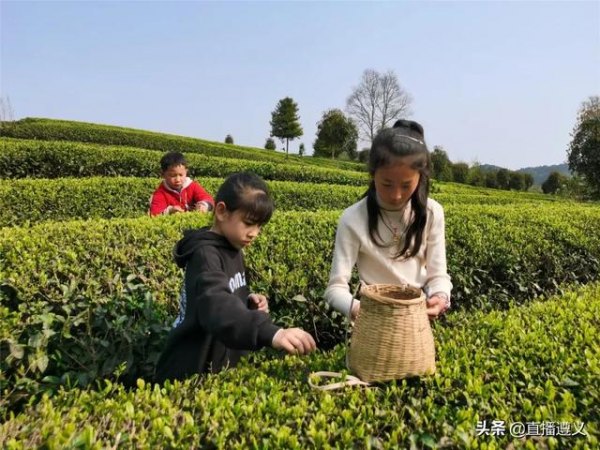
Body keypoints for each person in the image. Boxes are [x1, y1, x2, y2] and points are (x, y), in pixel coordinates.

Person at [155, 172, 316, 382]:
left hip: (221, 361)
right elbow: (217, 304)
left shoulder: (233, 246)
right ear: (221, 211)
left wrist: (247, 300)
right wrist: (270, 332)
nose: (254, 233)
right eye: (249, 223)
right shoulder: (205, 255)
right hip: (193, 366)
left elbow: (228, 291)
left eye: (259, 226)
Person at [324, 120, 452, 320]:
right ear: (372, 174)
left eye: (406, 185)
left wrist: (440, 297)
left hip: (416, 319)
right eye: (387, 183)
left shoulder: (432, 212)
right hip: (372, 319)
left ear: (421, 177)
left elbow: (438, 275)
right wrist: (360, 310)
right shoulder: (353, 218)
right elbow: (335, 288)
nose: (396, 195)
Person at [149, 151, 214, 216]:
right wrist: (170, 211)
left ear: (186, 172)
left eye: (181, 175)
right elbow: (154, 214)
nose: (178, 179)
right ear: (163, 174)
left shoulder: (193, 186)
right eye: (172, 176)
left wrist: (204, 205)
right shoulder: (160, 193)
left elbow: (207, 198)